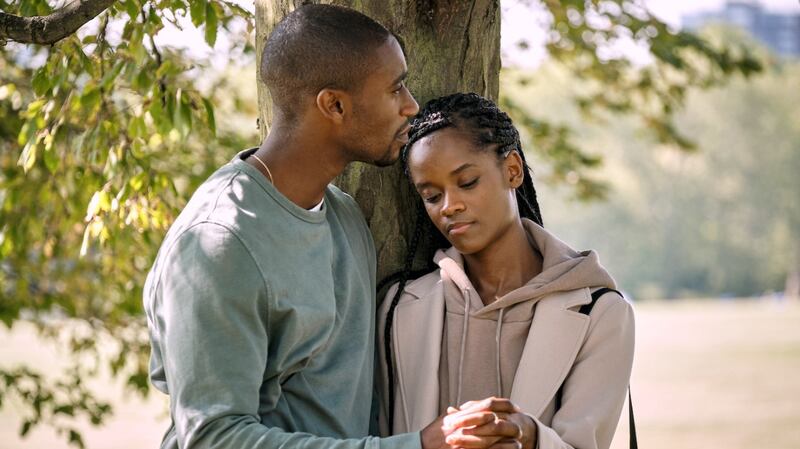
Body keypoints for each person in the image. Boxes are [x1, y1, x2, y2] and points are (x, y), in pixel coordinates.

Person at [142, 4, 429, 449]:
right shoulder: (220, 242)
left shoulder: (344, 216)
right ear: (334, 104)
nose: (411, 106)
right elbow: (213, 438)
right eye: (395, 89)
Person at [377, 93, 635, 449]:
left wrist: (528, 435)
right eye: (432, 196)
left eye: (467, 182)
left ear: (512, 170)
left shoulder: (600, 313)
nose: (450, 206)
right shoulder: (398, 306)